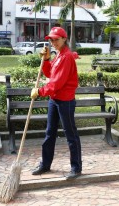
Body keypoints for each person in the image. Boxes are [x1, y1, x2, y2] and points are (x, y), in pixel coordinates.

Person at [30, 27, 82, 180]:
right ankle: (45, 164)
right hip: (54, 99)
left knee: (70, 134)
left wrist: (40, 91)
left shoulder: (66, 57)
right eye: (51, 39)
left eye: (56, 39)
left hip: (65, 100)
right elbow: (49, 74)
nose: (53, 42)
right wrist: (46, 60)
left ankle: (76, 167)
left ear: (64, 39)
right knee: (49, 132)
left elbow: (57, 83)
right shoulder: (59, 55)